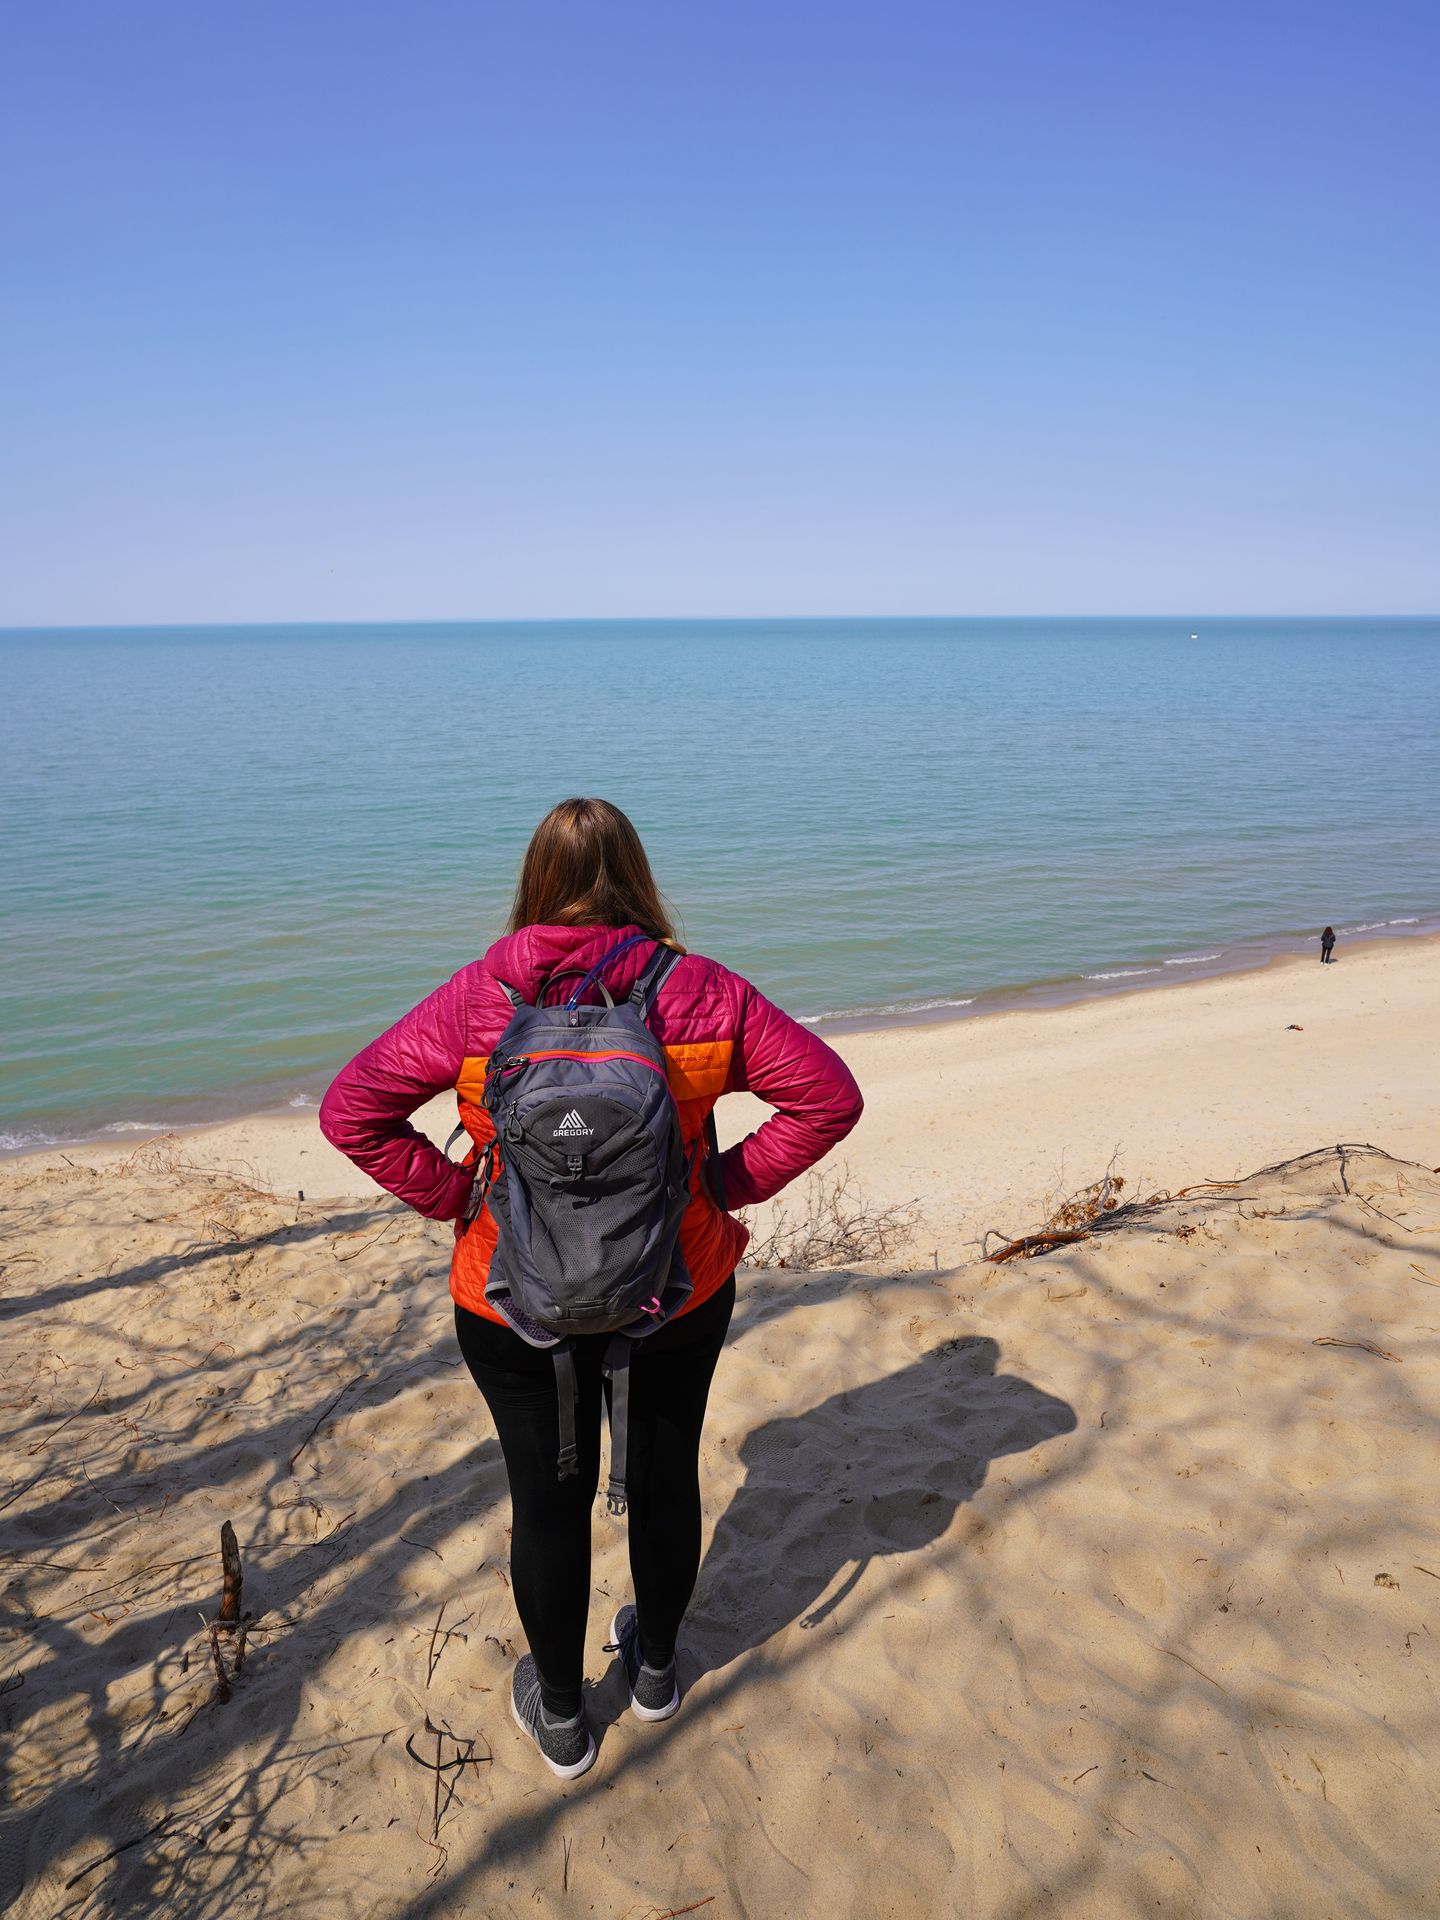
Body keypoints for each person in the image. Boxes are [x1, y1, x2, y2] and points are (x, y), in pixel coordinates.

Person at [319, 797, 863, 1778]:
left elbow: (353, 1111)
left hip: (508, 1296)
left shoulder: (476, 1001)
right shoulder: (703, 993)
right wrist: (719, 1185)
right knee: (661, 1481)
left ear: (532, 885)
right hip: (676, 1286)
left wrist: (457, 1198)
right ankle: (656, 1676)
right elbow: (827, 1096)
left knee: (548, 1501)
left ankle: (565, 1719)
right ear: (640, 879)